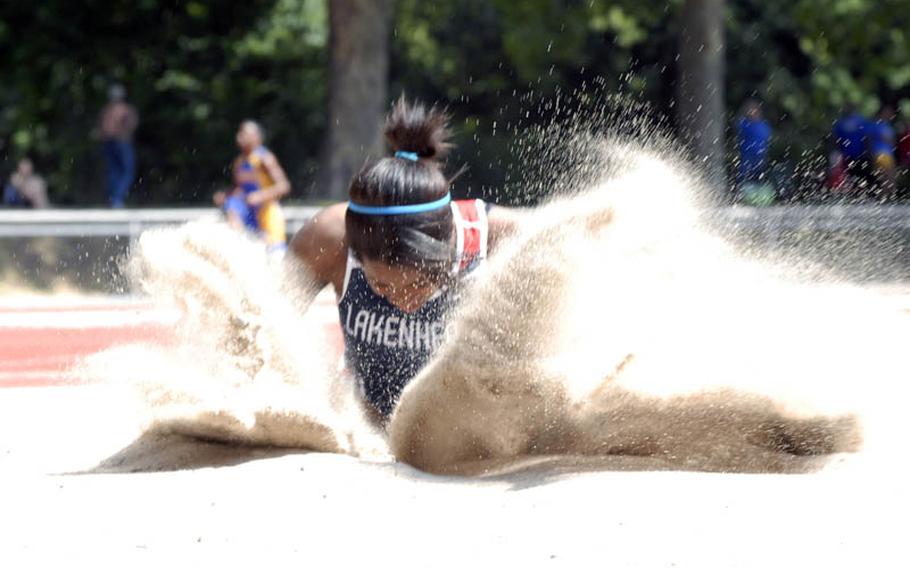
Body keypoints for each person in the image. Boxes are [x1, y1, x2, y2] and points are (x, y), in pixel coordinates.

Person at [290, 97, 519, 420]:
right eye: (381, 286)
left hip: (473, 432)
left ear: (448, 243)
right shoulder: (327, 240)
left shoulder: (501, 239)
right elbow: (260, 325)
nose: (403, 301)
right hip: (370, 426)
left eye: (419, 283)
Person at [215, 120, 291, 256]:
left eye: (245, 134)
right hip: (249, 215)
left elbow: (284, 186)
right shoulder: (239, 162)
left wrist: (261, 196)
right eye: (240, 133)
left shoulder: (265, 159)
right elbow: (240, 189)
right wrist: (226, 195)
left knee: (275, 257)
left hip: (267, 214)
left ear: (257, 137)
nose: (240, 137)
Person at [99, 84, 139, 208]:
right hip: (122, 142)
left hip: (108, 144)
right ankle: (117, 199)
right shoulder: (125, 109)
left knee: (113, 172)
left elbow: (102, 129)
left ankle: (113, 199)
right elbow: (131, 125)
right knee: (128, 172)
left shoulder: (106, 110)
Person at [735, 99, 774, 205]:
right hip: (747, 158)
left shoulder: (763, 125)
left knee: (761, 179)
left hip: (761, 157)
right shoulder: (744, 124)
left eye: (754, 110)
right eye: (750, 110)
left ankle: (762, 200)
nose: (752, 113)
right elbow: (738, 127)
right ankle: (747, 200)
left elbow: (767, 138)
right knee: (746, 179)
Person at [829, 105, 868, 193]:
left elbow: (866, 137)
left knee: (860, 174)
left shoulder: (860, 120)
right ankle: (852, 195)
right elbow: (835, 139)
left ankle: (861, 194)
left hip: (859, 153)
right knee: (848, 175)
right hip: (846, 154)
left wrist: (867, 151)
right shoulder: (841, 122)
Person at [866, 104, 897, 196]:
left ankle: (886, 195)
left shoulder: (888, 126)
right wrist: (871, 153)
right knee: (886, 175)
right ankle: (883, 196)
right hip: (880, 153)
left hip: (888, 154)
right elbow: (869, 140)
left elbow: (892, 141)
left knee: (889, 176)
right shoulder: (876, 124)